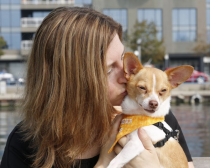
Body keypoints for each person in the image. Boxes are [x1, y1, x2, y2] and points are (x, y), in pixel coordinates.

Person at [0, 7, 194, 168]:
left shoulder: (153, 116)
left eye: (122, 59)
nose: (127, 77)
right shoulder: (25, 142)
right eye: (110, 69)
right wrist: (102, 164)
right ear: (71, 81)